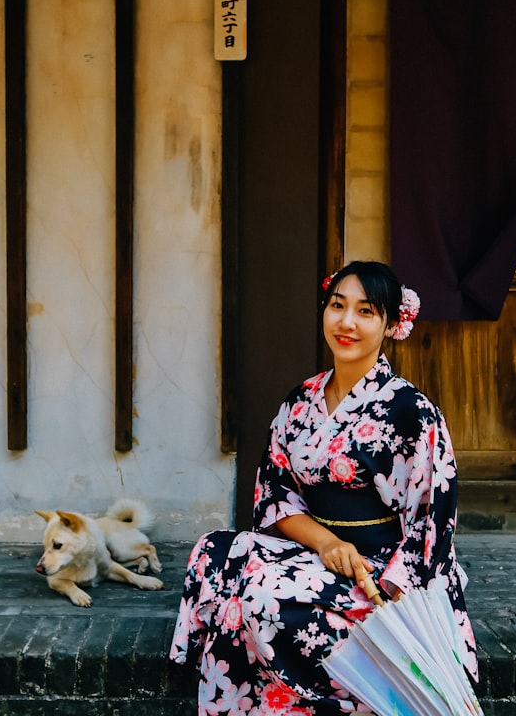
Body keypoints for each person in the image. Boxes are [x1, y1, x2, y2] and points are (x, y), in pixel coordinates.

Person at [169, 260, 478, 715]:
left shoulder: (411, 410)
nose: (346, 322)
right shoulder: (299, 401)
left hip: (380, 571)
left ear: (392, 324)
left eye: (366, 311)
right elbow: (275, 493)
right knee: (215, 549)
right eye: (338, 306)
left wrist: (389, 590)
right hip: (320, 552)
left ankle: (314, 691)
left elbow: (431, 524)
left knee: (262, 593)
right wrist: (328, 542)